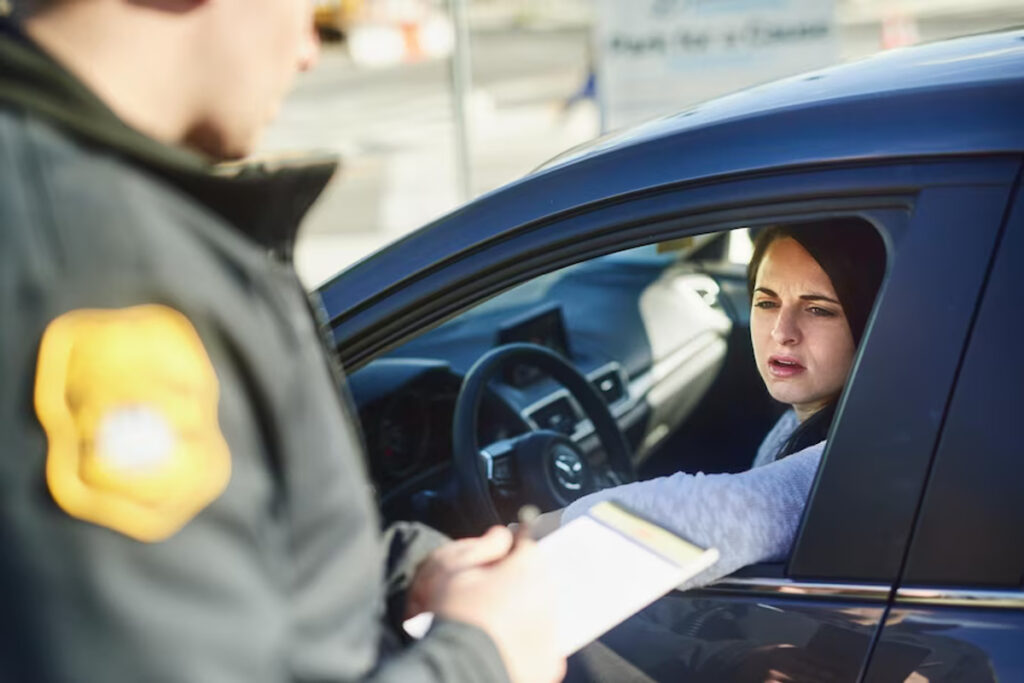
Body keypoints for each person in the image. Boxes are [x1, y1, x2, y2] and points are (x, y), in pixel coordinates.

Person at [0, 2, 564, 682]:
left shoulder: (108, 211)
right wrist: (482, 657)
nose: (306, 49)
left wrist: (401, 573)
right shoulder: (92, 268)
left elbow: (219, 575)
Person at [545, 219, 887, 588]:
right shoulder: (803, 420)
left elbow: (742, 509)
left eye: (818, 309)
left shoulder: (871, 451)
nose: (781, 332)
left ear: (873, 319)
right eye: (767, 302)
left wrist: (530, 533)